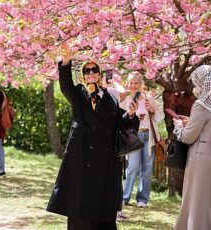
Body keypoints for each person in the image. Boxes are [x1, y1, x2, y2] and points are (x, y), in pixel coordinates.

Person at [46, 43, 139, 230]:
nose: (90, 73)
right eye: (87, 71)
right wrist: (65, 62)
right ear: (82, 74)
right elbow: (65, 85)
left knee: (103, 203)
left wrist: (129, 115)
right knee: (80, 201)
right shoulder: (78, 93)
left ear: (99, 72)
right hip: (82, 155)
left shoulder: (109, 96)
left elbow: (117, 122)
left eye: (94, 70)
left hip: (106, 159)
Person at [173, 65, 211, 230]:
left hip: (203, 161)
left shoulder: (202, 104)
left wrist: (179, 126)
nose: (195, 87)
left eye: (196, 82)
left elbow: (187, 137)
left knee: (199, 204)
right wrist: (191, 122)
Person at [120, 72, 163, 208]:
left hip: (147, 135)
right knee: (132, 167)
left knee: (147, 168)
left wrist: (151, 110)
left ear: (141, 84)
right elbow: (121, 119)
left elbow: (158, 116)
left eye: (136, 83)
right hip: (133, 136)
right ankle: (125, 197)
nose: (133, 86)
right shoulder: (125, 99)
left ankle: (142, 199)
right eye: (131, 83)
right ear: (127, 84)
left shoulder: (147, 97)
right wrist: (131, 116)